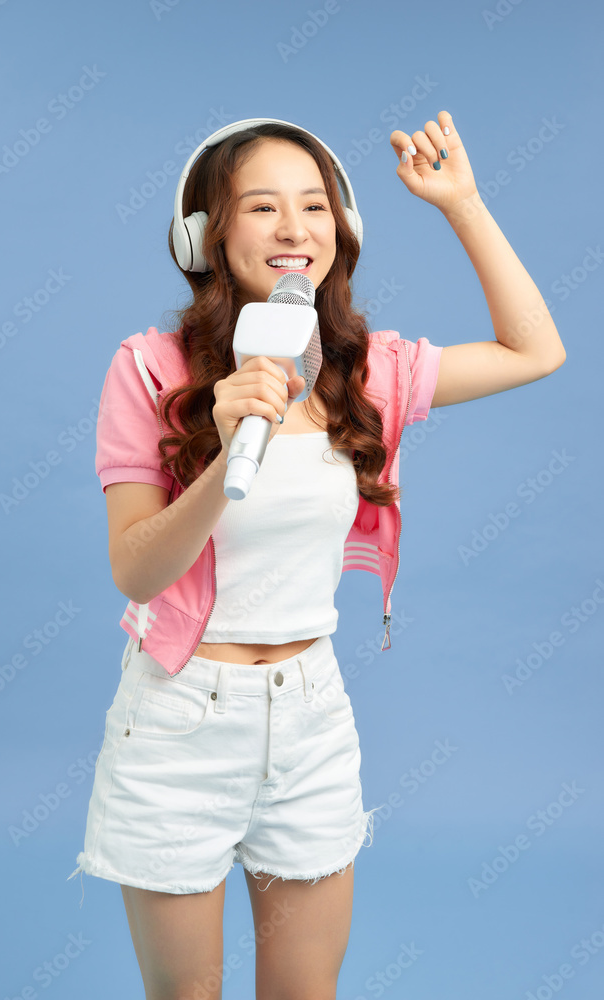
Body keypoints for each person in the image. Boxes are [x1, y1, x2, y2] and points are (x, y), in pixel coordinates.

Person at [68, 113, 566, 1000]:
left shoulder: (366, 370)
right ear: (207, 236)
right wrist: (226, 453)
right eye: (262, 206)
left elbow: (537, 350)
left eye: (315, 206)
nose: (295, 229)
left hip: (309, 721)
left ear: (343, 231)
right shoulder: (148, 370)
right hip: (181, 723)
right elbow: (137, 571)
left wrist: (462, 203)